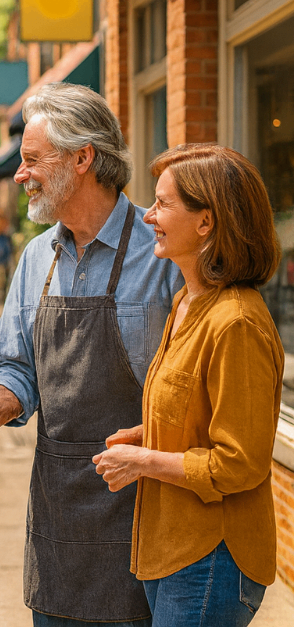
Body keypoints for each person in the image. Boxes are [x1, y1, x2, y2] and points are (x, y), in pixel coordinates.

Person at [0, 84, 183, 626]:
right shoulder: (36, 255)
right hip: (60, 515)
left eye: (32, 159)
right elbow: (16, 367)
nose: (20, 175)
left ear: (83, 158)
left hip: (148, 508)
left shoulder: (164, 253)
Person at [94, 145, 283, 626]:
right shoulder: (186, 302)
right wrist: (145, 435)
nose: (148, 216)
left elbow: (239, 464)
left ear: (206, 222)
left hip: (212, 558)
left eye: (162, 204)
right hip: (174, 548)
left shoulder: (235, 322)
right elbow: (199, 415)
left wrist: (143, 460)